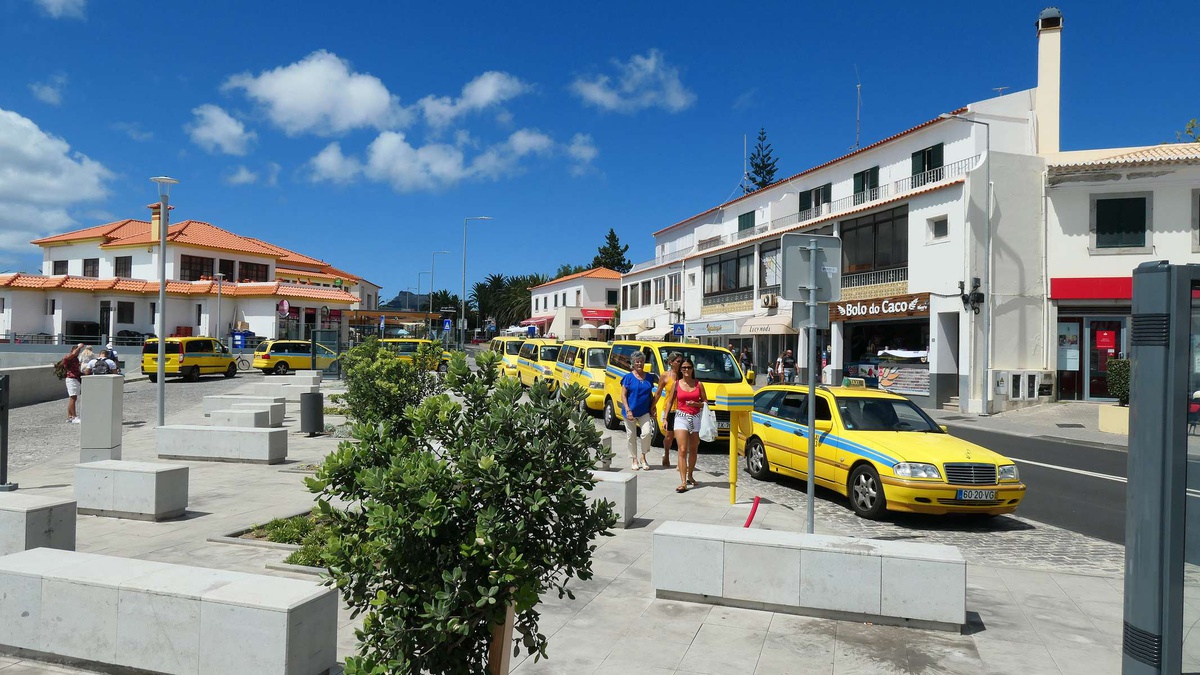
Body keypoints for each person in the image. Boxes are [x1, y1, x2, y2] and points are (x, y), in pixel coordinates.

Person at [665, 356, 709, 492]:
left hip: (695, 418)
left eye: (688, 367)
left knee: (694, 449)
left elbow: (706, 402)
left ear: (692, 369)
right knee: (682, 449)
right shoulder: (676, 384)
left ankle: (690, 475)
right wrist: (665, 418)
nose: (686, 370)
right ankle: (683, 482)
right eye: (683, 367)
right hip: (681, 417)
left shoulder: (699, 384)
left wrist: (696, 404)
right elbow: (669, 401)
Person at [620, 352, 658, 471]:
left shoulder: (649, 377)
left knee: (646, 433)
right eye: (637, 361)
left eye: (641, 361)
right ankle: (634, 459)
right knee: (631, 435)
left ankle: (643, 457)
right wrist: (628, 409)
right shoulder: (628, 377)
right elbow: (623, 395)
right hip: (630, 411)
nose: (639, 363)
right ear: (633, 363)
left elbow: (650, 394)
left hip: (644, 411)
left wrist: (653, 408)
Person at [656, 352, 684, 468]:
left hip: (682, 409)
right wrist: (652, 406)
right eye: (678, 361)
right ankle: (666, 453)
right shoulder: (665, 376)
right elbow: (658, 393)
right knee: (669, 436)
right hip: (670, 409)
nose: (680, 363)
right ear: (671, 362)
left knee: (681, 436)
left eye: (681, 361)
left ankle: (680, 462)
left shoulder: (684, 375)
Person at [61, 343, 84, 423]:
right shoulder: (69, 357)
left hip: (75, 378)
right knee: (73, 398)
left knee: (72, 398)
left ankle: (70, 416)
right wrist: (79, 346)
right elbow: (73, 353)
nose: (78, 352)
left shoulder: (75, 359)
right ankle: (74, 417)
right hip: (71, 379)